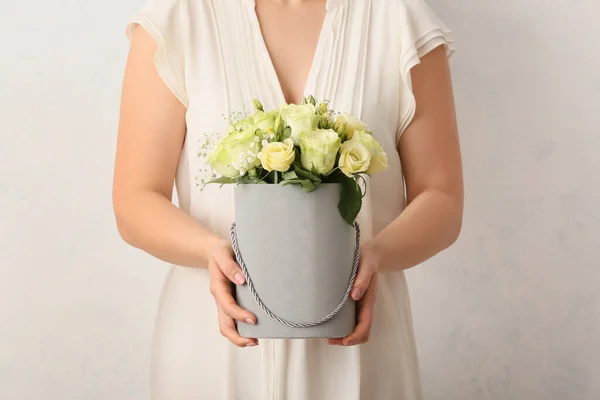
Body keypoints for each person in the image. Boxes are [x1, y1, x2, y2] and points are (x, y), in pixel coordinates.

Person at [113, 0, 463, 398]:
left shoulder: (397, 20)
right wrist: (212, 253)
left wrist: (376, 256)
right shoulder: (178, 20)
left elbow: (441, 197)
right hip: (215, 339)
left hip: (357, 334)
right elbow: (135, 199)